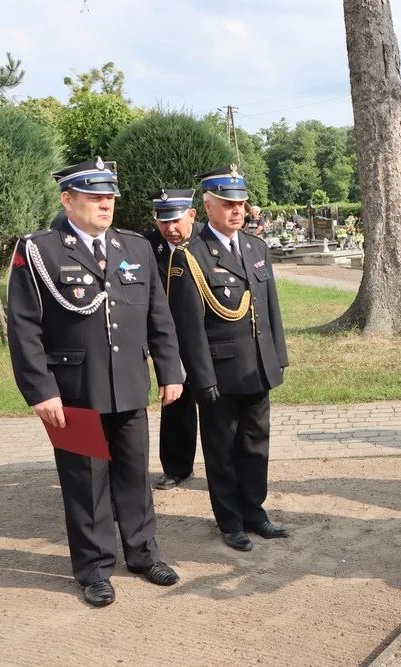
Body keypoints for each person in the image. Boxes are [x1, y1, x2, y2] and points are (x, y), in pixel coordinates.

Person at [6, 157, 183, 606]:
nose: (106, 204)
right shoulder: (41, 250)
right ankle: (95, 568)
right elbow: (24, 327)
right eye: (94, 197)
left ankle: (143, 554)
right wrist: (41, 390)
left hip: (127, 382)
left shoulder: (135, 247)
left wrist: (170, 369)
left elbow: (156, 314)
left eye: (110, 197)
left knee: (134, 476)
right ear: (68, 200)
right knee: (85, 481)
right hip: (74, 389)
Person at [167, 164, 289, 551]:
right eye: (227, 204)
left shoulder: (256, 248)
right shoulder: (191, 256)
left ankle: (255, 511)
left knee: (256, 444)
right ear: (207, 206)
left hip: (258, 366)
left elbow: (270, 310)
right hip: (219, 371)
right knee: (222, 449)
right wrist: (202, 379)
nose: (237, 211)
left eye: (240, 204)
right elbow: (188, 327)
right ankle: (230, 520)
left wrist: (277, 358)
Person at [145, 189, 204, 490]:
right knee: (175, 403)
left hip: (207, 339)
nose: (169, 229)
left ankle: (227, 466)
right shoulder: (147, 247)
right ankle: (178, 467)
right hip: (169, 340)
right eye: (162, 221)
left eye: (176, 220)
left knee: (217, 404)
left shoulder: (208, 241)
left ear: (192, 215)